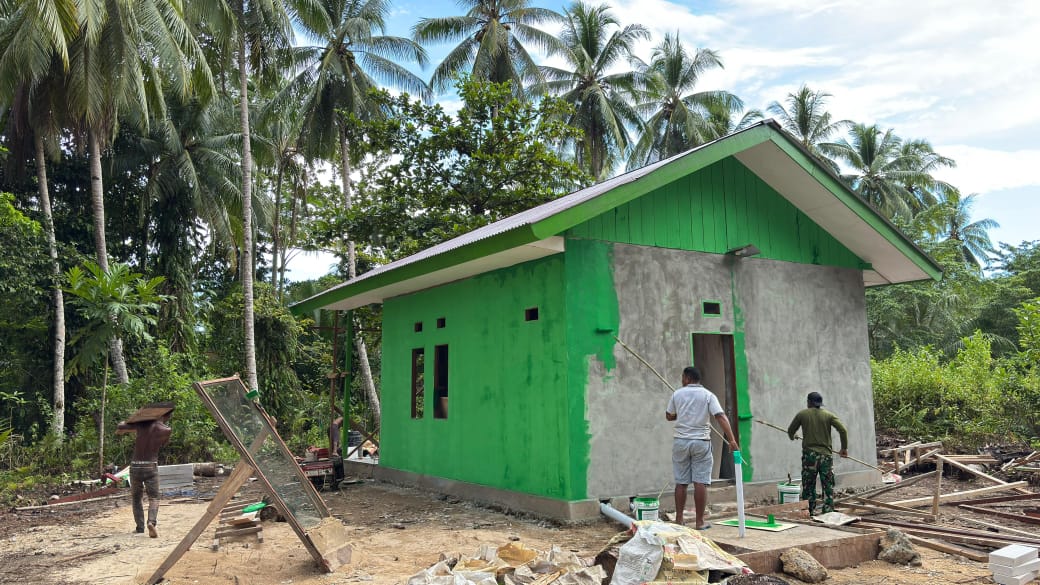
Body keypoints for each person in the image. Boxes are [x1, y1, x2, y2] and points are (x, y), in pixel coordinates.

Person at [665, 366, 739, 529]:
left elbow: (669, 416)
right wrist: (732, 440)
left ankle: (679, 520)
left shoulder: (677, 394)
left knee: (681, 482)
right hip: (701, 442)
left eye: (682, 377)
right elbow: (720, 416)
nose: (681, 380)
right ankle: (699, 522)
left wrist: (682, 414)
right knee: (700, 482)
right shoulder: (708, 395)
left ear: (687, 378)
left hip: (681, 442)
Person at [787, 391, 848, 516]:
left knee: (809, 485)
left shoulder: (802, 414)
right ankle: (828, 510)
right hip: (826, 456)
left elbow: (790, 430)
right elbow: (843, 430)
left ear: (809, 402)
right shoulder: (828, 415)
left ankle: (809, 510)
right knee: (827, 484)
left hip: (809, 456)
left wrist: (793, 436)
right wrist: (844, 449)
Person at [116, 408, 173, 537]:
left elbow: (120, 426)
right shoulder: (166, 430)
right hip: (150, 466)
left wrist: (132, 422)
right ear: (167, 417)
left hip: (135, 466)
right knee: (154, 497)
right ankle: (151, 522)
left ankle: (140, 528)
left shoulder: (142, 424)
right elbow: (163, 443)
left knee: (136, 498)